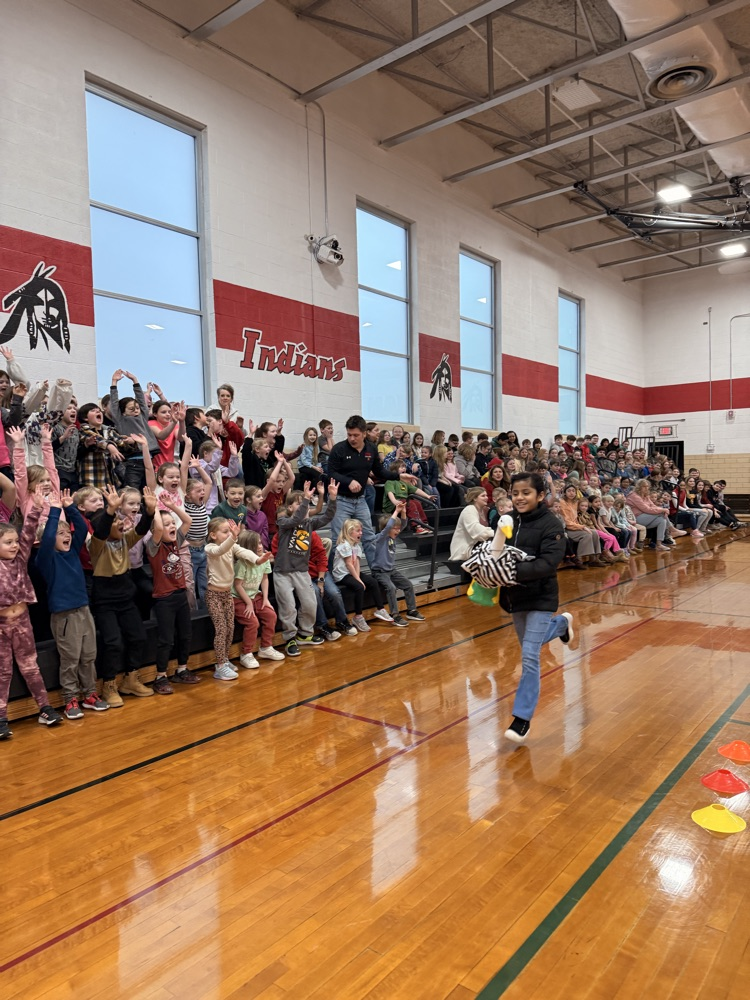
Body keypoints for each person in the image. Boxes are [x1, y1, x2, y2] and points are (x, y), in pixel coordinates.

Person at [500, 472, 571, 744]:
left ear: (540, 495)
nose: (519, 498)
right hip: (515, 598)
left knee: (530, 655)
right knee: (533, 643)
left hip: (542, 598)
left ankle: (522, 718)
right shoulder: (507, 521)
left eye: (526, 493)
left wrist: (511, 570)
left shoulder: (552, 525)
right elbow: (497, 552)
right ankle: (562, 624)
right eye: (515, 493)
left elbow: (548, 564)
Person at [36, 490, 110, 718]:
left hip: (84, 610)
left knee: (88, 655)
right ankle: (70, 699)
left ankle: (89, 694)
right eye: (61, 534)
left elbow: (79, 526)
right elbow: (47, 539)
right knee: (70, 660)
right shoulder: (46, 559)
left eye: (67, 532)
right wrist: (54, 510)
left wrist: (70, 507)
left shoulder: (73, 553)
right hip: (64, 616)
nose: (66, 536)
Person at [0, 491, 63, 737]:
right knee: (3, 670)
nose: (15, 545)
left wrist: (36, 508)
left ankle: (45, 708)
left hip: (23, 621)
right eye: (8, 542)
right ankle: (2, 718)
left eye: (15, 541)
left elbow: (28, 534)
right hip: (2, 625)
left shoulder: (21, 558)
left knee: (30, 665)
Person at [89, 484, 156, 706]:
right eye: (116, 522)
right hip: (105, 599)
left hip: (125, 595)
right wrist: (110, 511)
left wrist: (150, 511)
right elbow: (100, 528)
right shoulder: (96, 544)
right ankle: (109, 685)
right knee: (113, 642)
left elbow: (142, 529)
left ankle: (130, 679)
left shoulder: (125, 540)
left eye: (121, 520)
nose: (121, 523)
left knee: (138, 636)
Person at [327, 415, 418, 567]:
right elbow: (331, 473)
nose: (352, 438)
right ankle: (338, 574)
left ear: (364, 433)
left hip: (360, 499)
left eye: (356, 435)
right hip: (341, 500)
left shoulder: (371, 449)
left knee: (369, 537)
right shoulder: (339, 449)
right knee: (339, 539)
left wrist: (399, 476)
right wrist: (348, 481)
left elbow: (380, 472)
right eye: (349, 435)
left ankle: (377, 571)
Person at [273, 480, 338, 657]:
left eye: (305, 502)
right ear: (289, 507)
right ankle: (290, 638)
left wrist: (331, 497)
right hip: (283, 572)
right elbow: (295, 519)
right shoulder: (283, 521)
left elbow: (328, 517)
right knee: (289, 607)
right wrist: (306, 500)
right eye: (299, 502)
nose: (304, 505)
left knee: (310, 604)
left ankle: (305, 634)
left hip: (301, 571)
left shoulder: (308, 524)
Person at [145, 497, 201, 693]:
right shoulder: (154, 547)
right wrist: (155, 511)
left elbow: (188, 521)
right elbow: (158, 529)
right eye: (166, 524)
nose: (170, 526)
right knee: (166, 639)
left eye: (171, 524)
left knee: (185, 634)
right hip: (164, 599)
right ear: (154, 531)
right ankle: (160, 677)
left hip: (180, 595)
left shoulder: (176, 540)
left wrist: (169, 507)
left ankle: (182, 669)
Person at [205, 517, 268, 680]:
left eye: (229, 531)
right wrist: (233, 537)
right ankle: (220, 666)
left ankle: (225, 660)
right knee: (221, 630)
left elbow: (243, 551)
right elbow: (221, 550)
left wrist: (257, 559)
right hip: (214, 595)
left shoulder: (232, 545)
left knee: (230, 628)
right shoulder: (210, 548)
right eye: (224, 532)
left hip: (227, 595)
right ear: (213, 535)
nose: (229, 534)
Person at [231, 529, 284, 666]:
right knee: (253, 623)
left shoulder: (264, 559)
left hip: (256, 595)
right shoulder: (242, 563)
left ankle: (266, 647)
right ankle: (246, 653)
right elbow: (238, 585)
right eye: (256, 545)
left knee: (271, 615)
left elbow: (265, 578)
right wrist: (248, 603)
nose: (260, 546)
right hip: (238, 598)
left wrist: (265, 599)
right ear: (248, 548)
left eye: (260, 543)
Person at [370, 502, 426, 627]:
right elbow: (389, 525)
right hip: (380, 572)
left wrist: (403, 511)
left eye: (398, 528)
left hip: (391, 570)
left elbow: (404, 524)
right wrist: (396, 511)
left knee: (408, 585)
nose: (398, 530)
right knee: (391, 588)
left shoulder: (392, 538)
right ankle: (395, 615)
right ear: (387, 528)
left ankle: (411, 610)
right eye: (395, 528)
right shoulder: (381, 537)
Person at [333, 519, 393, 632]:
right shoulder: (344, 545)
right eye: (358, 531)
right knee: (359, 587)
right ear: (350, 532)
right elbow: (349, 564)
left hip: (350, 572)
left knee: (373, 582)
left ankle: (380, 609)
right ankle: (358, 616)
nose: (361, 533)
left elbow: (357, 564)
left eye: (361, 530)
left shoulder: (357, 546)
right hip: (342, 575)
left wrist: (359, 577)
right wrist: (359, 580)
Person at [449, 486, 494, 562]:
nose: (486, 498)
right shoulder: (469, 510)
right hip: (465, 549)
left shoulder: (485, 510)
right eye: (483, 496)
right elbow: (477, 531)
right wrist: (495, 533)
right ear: (475, 498)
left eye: (486, 495)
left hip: (479, 545)